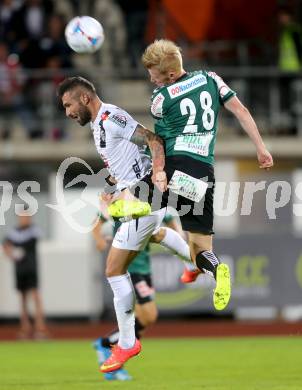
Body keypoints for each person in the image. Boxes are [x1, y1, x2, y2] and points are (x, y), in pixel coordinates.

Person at [57, 76, 197, 373]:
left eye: (68, 104)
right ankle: (199, 261)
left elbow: (152, 139)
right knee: (157, 234)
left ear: (84, 99)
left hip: (145, 196)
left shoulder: (110, 116)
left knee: (113, 269)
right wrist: (111, 185)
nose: (67, 112)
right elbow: (123, 162)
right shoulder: (98, 126)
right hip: (140, 197)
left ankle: (127, 343)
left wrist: (157, 174)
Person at [142, 39, 274, 308]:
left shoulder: (160, 99)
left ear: (168, 74)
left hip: (176, 166)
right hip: (203, 174)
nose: (150, 77)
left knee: (127, 204)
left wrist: (159, 172)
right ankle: (216, 270)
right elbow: (241, 110)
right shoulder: (210, 78)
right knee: (200, 250)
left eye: (153, 73)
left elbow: (160, 143)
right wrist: (261, 148)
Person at [92, 210, 193, 381]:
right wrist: (99, 240)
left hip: (143, 265)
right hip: (131, 266)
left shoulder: (152, 201)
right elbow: (97, 222)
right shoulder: (122, 198)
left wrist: (179, 240)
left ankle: (111, 350)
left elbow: (169, 224)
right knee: (148, 315)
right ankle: (107, 345)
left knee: (145, 319)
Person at [2, 211, 48, 339]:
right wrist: (11, 254)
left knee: (35, 297)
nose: (24, 219)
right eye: (22, 216)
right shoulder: (13, 233)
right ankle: (25, 328)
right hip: (20, 270)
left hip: (31, 269)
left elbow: (36, 238)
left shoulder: (34, 231)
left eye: (27, 216)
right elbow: (6, 245)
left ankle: (40, 328)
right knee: (22, 299)